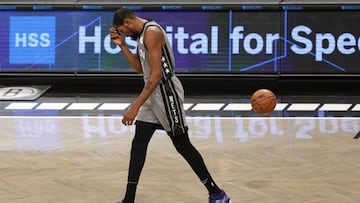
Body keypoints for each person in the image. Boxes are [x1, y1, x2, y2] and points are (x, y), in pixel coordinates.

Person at [109, 8, 231, 203]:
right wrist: (122, 45)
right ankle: (129, 199)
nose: (124, 34)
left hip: (166, 93)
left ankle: (217, 193)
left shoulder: (152, 32)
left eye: (123, 31)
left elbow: (156, 76)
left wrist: (135, 106)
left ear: (128, 22)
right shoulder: (141, 35)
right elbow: (143, 70)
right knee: (139, 142)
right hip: (152, 91)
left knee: (182, 145)